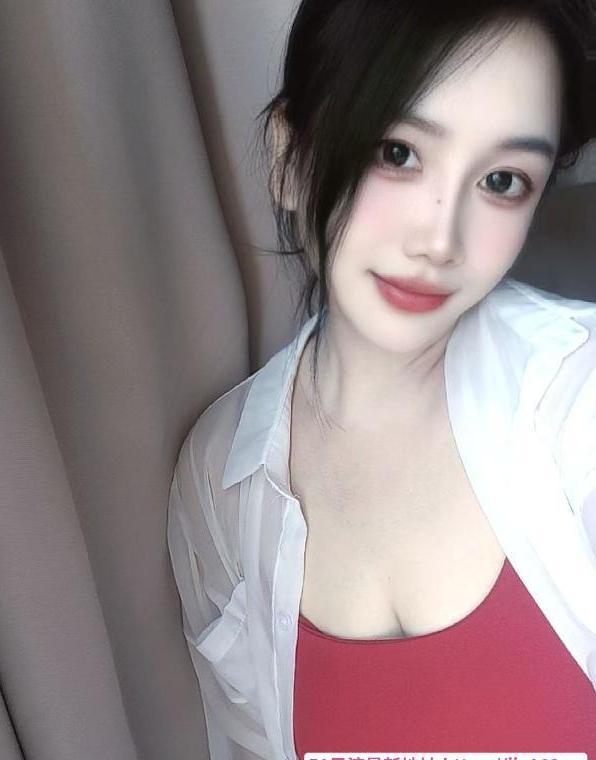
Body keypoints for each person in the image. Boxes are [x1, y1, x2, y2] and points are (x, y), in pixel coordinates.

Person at [167, 1, 596, 757]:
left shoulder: (579, 402)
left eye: (502, 180)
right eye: (397, 153)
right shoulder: (220, 477)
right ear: (290, 160)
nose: (440, 239)